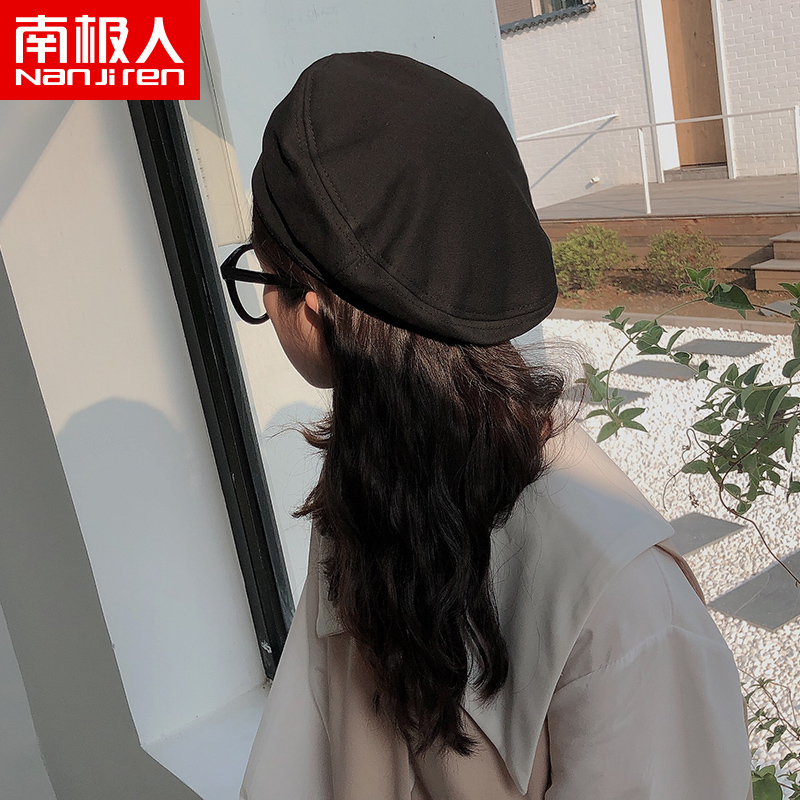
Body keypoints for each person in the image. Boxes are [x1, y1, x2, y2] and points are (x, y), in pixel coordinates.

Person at [223, 51, 754, 799]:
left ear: (313, 305)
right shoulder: (369, 497)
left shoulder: (619, 598)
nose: (263, 305)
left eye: (261, 274)